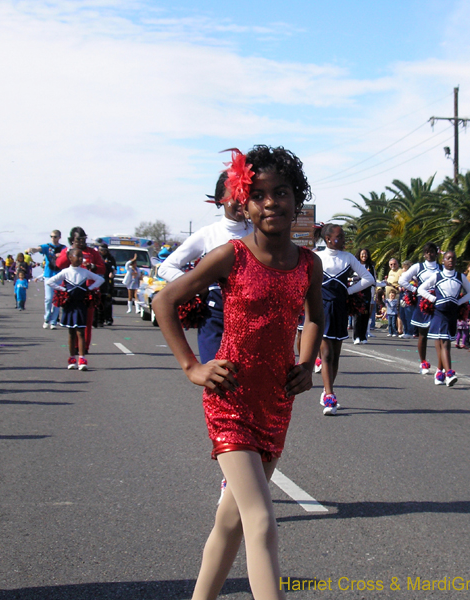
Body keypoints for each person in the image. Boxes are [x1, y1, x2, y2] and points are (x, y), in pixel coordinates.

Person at [152, 146, 323, 600]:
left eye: (281, 193)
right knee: (261, 520)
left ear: (297, 198)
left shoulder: (309, 264)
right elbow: (163, 301)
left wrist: (306, 364)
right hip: (231, 398)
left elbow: (316, 319)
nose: (271, 203)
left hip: (276, 401)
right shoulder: (231, 256)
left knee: (229, 521)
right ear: (244, 205)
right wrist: (192, 366)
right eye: (259, 195)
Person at [158, 172, 254, 363]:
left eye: (246, 195)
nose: (240, 201)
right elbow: (166, 267)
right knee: (217, 381)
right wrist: (197, 286)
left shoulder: (258, 233)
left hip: (253, 319)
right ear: (221, 198)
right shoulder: (208, 234)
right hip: (215, 319)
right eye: (234, 196)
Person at [315, 224, 374, 414]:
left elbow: (368, 278)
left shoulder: (348, 258)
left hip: (340, 308)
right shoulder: (316, 256)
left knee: (336, 354)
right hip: (322, 308)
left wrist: (347, 291)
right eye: (339, 237)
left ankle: (326, 390)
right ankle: (330, 396)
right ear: (328, 239)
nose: (343, 240)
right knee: (326, 354)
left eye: (344, 237)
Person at [417, 250, 470, 386]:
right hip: (439, 313)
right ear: (443, 260)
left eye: (453, 259)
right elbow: (421, 289)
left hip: (452, 314)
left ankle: (439, 372)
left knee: (442, 343)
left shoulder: (460, 277)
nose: (451, 261)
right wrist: (433, 299)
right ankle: (449, 373)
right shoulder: (437, 276)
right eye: (448, 258)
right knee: (445, 343)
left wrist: (458, 302)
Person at [46, 248, 105, 371]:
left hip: (81, 305)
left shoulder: (85, 272)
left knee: (81, 332)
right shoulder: (66, 272)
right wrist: (63, 290)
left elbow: (100, 279)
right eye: (77, 256)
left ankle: (82, 359)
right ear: (70, 257)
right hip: (70, 305)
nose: (80, 259)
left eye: (81, 257)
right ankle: (72, 358)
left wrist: (90, 288)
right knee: (71, 333)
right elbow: (50, 282)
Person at [55, 227, 106, 352]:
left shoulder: (92, 252)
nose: (81, 242)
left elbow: (102, 268)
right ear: (72, 240)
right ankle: (74, 348)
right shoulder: (67, 251)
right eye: (78, 239)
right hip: (70, 293)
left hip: (87, 292)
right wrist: (70, 253)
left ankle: (84, 348)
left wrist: (92, 266)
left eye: (83, 239)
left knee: (86, 322)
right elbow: (59, 264)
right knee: (72, 323)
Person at [399, 243, 441, 374]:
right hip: (423, 303)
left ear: (436, 253)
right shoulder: (418, 267)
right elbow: (402, 280)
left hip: (437, 303)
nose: (429, 254)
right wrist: (415, 290)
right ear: (424, 254)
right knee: (423, 334)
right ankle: (423, 362)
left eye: (432, 251)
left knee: (439, 335)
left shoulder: (441, 268)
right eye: (427, 252)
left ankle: (441, 366)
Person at [28, 230, 67, 329]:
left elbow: (68, 255)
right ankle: (47, 318)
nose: (53, 238)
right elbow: (38, 248)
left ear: (59, 237)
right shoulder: (47, 246)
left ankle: (54, 321)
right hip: (49, 275)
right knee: (49, 299)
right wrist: (32, 249)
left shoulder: (63, 248)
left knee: (57, 299)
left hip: (59, 275)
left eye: (55, 236)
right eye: (52, 236)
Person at [352, 248, 375, 345]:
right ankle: (356, 337)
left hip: (367, 293)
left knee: (365, 315)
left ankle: (363, 337)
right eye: (362, 254)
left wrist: (373, 294)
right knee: (357, 315)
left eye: (365, 254)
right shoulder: (354, 265)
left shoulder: (370, 266)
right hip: (357, 293)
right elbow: (350, 278)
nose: (364, 256)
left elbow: (373, 280)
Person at [96, 243, 117, 326]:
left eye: (104, 250)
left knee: (107, 301)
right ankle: (99, 320)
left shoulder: (110, 258)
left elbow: (114, 268)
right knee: (99, 301)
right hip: (98, 281)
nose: (102, 252)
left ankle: (108, 319)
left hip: (108, 282)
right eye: (101, 250)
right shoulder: (97, 258)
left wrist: (112, 273)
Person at [398, 260, 416, 338]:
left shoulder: (412, 276)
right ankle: (406, 331)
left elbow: (414, 284)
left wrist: (406, 285)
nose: (402, 269)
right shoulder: (403, 275)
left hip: (409, 297)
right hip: (402, 296)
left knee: (408, 315)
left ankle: (410, 332)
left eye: (403, 268)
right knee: (402, 315)